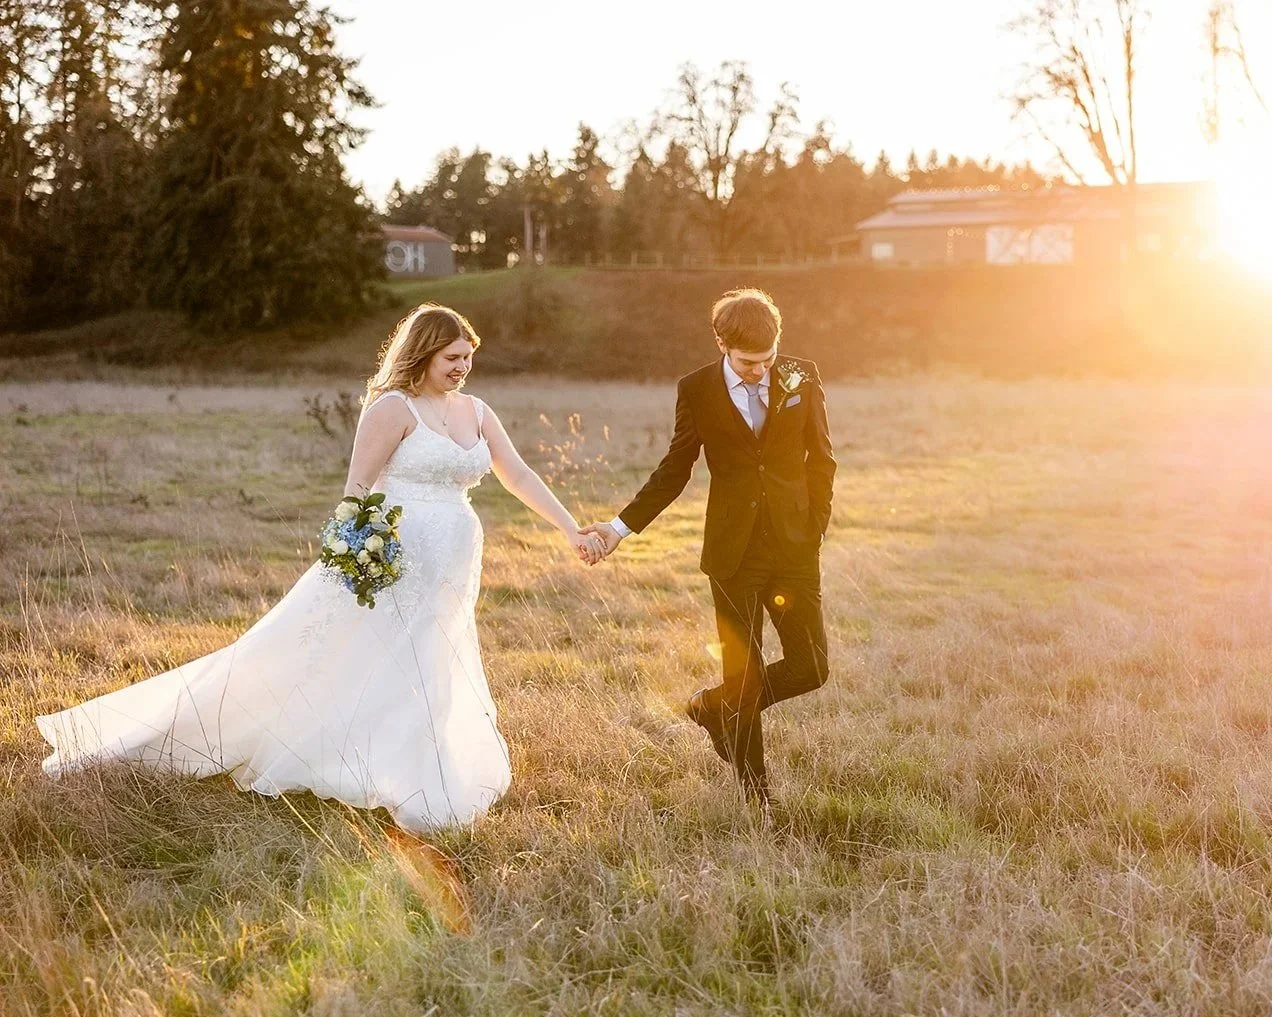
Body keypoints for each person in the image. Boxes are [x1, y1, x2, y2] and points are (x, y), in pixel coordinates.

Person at [36, 303, 606, 834]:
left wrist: (569, 527)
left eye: (468, 359)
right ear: (423, 355)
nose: (463, 369)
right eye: (452, 359)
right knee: (330, 653)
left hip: (455, 558)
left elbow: (518, 475)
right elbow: (356, 490)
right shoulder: (392, 409)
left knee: (433, 656)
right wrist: (362, 553)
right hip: (392, 556)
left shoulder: (477, 412)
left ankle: (415, 764)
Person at [583, 288, 835, 810]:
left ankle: (710, 708)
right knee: (742, 677)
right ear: (721, 343)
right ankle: (758, 799)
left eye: (768, 360)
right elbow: (675, 469)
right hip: (732, 554)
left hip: (795, 547)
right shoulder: (695, 389)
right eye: (748, 362)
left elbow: (822, 459)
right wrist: (617, 528)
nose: (760, 371)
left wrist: (815, 526)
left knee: (811, 667)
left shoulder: (802, 375)